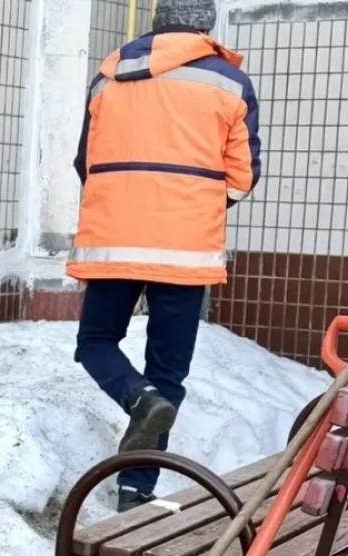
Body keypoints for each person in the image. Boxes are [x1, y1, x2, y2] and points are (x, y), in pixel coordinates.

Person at [68, 0, 262, 512]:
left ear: (156, 22)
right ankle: (136, 491)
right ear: (205, 25)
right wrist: (192, 205)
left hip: (114, 239)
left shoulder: (108, 76)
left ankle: (137, 398)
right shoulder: (227, 82)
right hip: (185, 248)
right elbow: (242, 178)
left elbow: (84, 161)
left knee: (95, 343)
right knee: (168, 370)